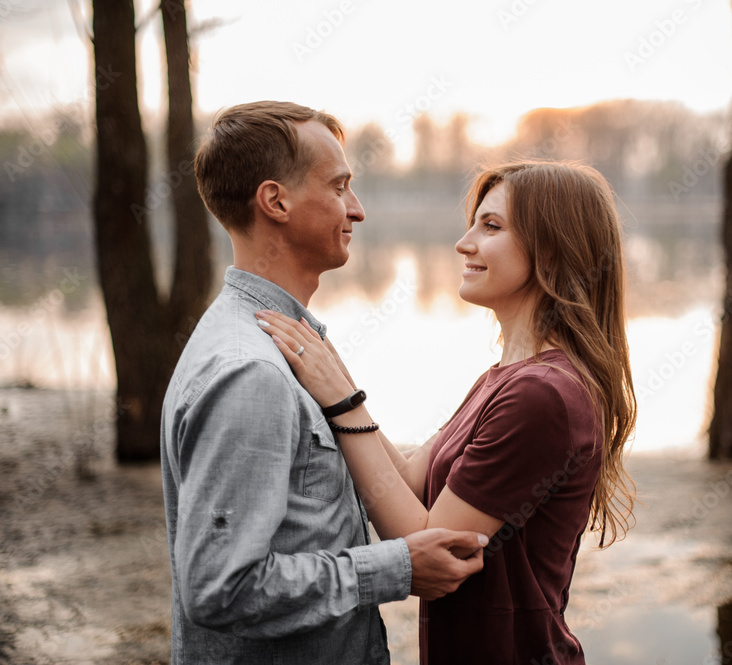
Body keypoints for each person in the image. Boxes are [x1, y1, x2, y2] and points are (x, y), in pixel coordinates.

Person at [256, 160, 637, 664]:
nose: (464, 243)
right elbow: (411, 480)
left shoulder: (542, 396)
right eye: (473, 222)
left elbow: (427, 546)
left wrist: (339, 401)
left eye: (492, 226)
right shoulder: (504, 378)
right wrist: (337, 378)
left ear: (552, 246)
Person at [159, 101, 488, 665]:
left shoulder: (283, 342)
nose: (356, 210)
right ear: (275, 201)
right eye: (339, 187)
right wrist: (398, 567)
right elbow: (220, 587)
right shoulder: (251, 372)